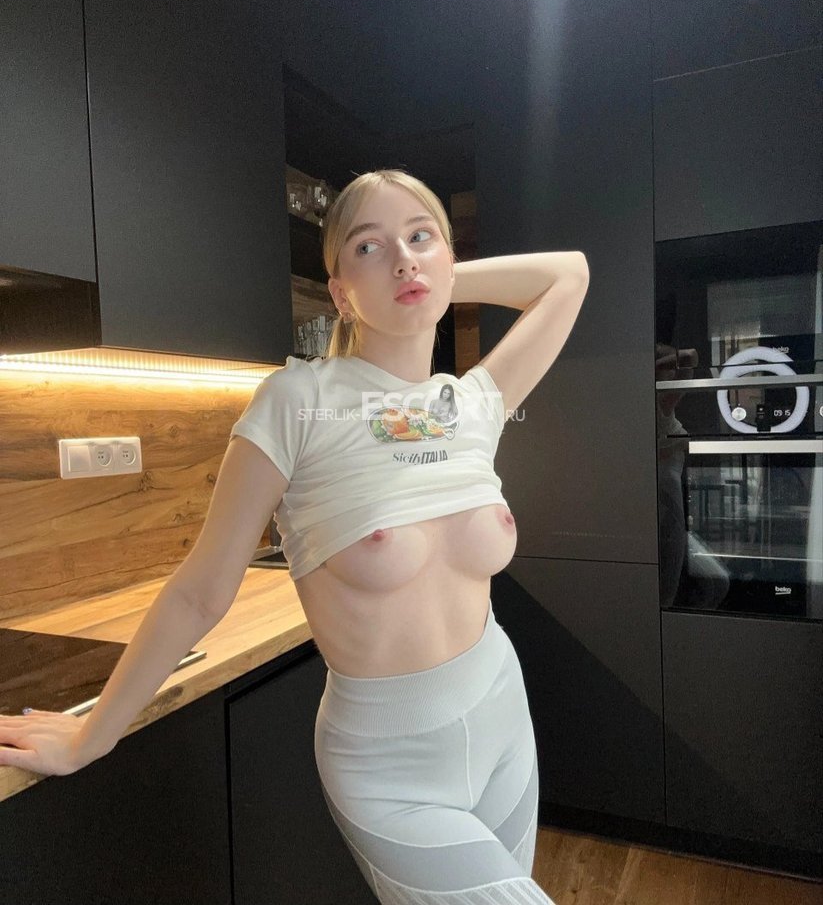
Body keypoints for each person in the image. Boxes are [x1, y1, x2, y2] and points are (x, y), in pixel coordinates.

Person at [0, 169, 590, 904]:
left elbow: (569, 275)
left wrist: (429, 275)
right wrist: (93, 736)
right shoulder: (299, 400)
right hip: (388, 768)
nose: (402, 259)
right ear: (338, 292)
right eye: (368, 247)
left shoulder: (470, 403)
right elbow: (198, 592)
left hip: (502, 715)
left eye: (419, 237)